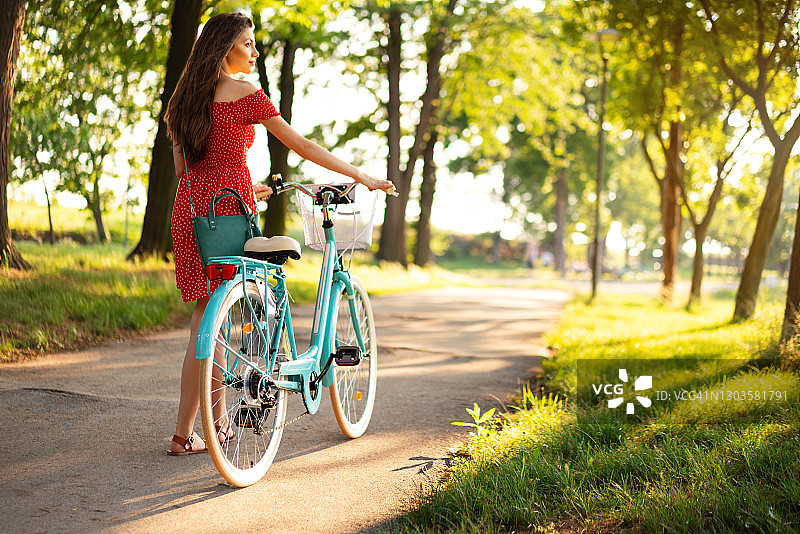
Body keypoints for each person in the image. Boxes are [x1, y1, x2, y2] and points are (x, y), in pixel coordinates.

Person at [164, 12, 395, 455]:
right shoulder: (245, 91)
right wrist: (360, 174)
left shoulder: (183, 99)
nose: (255, 52)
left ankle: (185, 433)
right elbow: (302, 146)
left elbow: (186, 171)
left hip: (191, 210)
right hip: (228, 210)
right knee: (218, 319)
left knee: (202, 317)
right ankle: (219, 427)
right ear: (226, 46)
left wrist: (250, 187)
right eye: (248, 43)